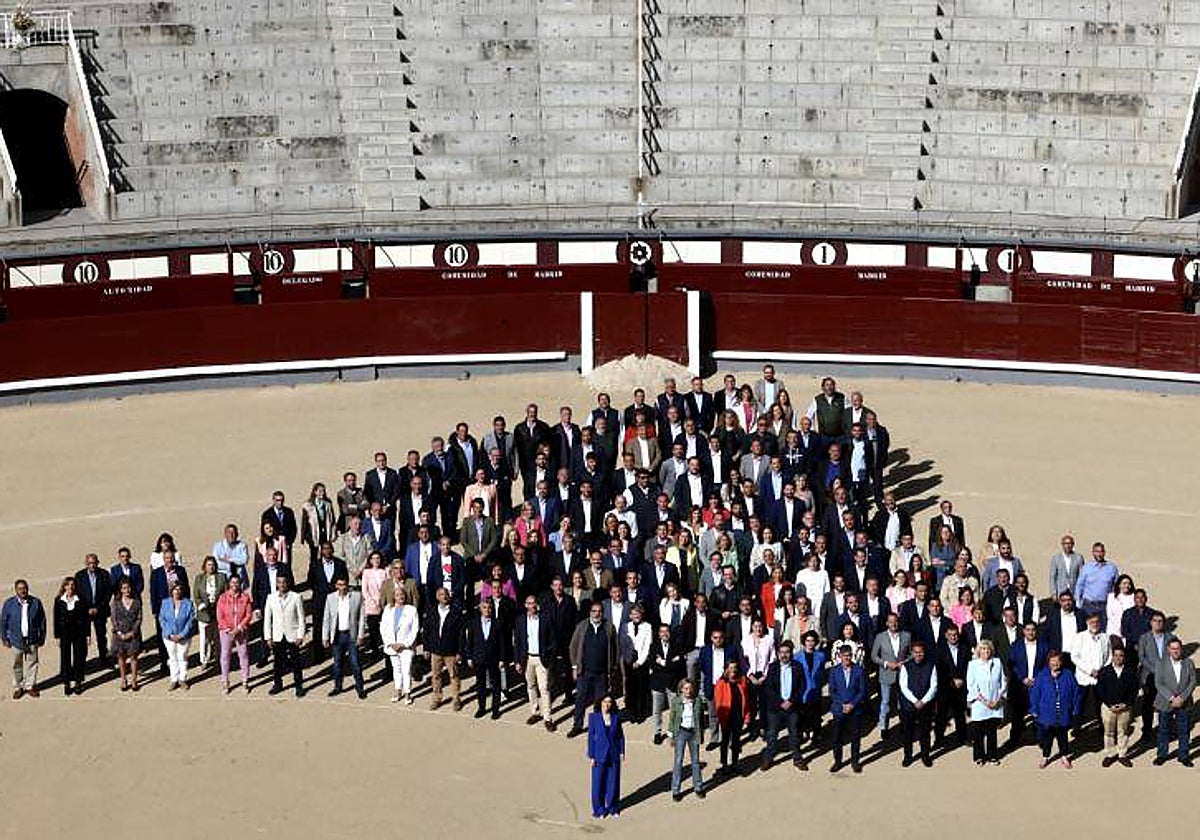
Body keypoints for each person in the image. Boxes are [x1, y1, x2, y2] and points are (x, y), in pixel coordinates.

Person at [569, 602, 620, 737]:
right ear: (590, 612)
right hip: (584, 671)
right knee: (580, 699)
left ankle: (599, 728)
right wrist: (574, 666)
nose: (596, 614)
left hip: (602, 673)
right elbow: (573, 646)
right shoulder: (582, 626)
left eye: (599, 611)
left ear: (602, 613)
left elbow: (615, 648)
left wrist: (613, 667)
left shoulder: (609, 627)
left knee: (600, 702)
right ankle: (577, 725)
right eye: (594, 611)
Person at [761, 639, 808, 771]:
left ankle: (797, 759)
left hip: (792, 707)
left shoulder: (797, 666)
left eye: (787, 652)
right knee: (772, 735)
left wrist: (791, 701)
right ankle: (768, 759)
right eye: (781, 652)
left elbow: (802, 686)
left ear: (791, 653)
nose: (784, 655)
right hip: (775, 709)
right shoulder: (773, 667)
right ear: (777, 653)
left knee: (794, 734)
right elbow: (768, 688)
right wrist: (781, 702)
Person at [1030, 651, 1081, 768]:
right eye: (1052, 661)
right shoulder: (1042, 675)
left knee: (1063, 738)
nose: (1055, 663)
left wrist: (1076, 709)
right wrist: (1034, 709)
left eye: (1057, 661)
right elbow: (1035, 694)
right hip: (1046, 715)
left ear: (1061, 662)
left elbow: (1076, 693)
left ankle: (1064, 756)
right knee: (1047, 739)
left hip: (1063, 714)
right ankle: (1045, 757)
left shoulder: (1068, 674)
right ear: (1048, 662)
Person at [514, 593, 556, 729]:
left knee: (544, 688)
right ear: (525, 605)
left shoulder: (545, 619)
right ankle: (535, 712)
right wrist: (518, 661)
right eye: (529, 603)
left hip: (541, 658)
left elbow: (553, 641)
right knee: (531, 686)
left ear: (537, 605)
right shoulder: (520, 620)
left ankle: (547, 717)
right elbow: (518, 642)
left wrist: (549, 656)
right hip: (527, 658)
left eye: (533, 603)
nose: (531, 606)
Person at [1153, 638, 1196, 767]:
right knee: (1163, 730)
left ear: (1181, 649)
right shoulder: (1161, 663)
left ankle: (1183, 756)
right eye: (1173, 648)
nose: (1176, 651)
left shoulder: (1189, 663)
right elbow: (1158, 683)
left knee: (1184, 730)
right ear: (1168, 650)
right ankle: (1162, 755)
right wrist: (1172, 698)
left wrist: (1182, 698)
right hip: (1165, 701)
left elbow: (1192, 681)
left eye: (1177, 648)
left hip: (1184, 702)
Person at [322, 576, 367, 699]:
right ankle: (338, 686)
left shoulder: (357, 596)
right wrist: (325, 636)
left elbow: (362, 617)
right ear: (336, 586)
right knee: (337, 663)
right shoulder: (330, 598)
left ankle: (360, 687)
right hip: (337, 635)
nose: (342, 587)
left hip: (351, 634)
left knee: (355, 663)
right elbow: (327, 618)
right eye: (340, 585)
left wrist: (361, 635)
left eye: (344, 585)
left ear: (348, 585)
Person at [263, 574, 306, 697]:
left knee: (296, 662)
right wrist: (268, 637)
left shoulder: (296, 597)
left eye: (284, 582)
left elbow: (301, 618)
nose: (282, 585)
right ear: (276, 584)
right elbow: (267, 619)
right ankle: (278, 684)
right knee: (277, 662)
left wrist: (300, 635)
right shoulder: (270, 598)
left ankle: (299, 686)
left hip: (292, 635)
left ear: (288, 583)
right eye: (279, 582)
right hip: (277, 635)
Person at [467, 597, 509, 719]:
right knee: (480, 685)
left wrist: (502, 659)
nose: (487, 610)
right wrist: (469, 656)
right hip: (479, 658)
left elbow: (502, 644)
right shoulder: (474, 623)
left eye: (489, 607)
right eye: (484, 607)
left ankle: (495, 709)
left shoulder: (498, 623)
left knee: (496, 685)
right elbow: (470, 641)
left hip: (493, 659)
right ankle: (481, 708)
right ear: (480, 609)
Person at [1097, 645, 1138, 767]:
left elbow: (1134, 690)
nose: (1118, 658)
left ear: (1124, 657)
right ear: (1112, 657)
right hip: (1108, 708)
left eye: (1121, 655)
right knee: (1108, 732)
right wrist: (1110, 704)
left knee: (1123, 731)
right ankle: (1109, 754)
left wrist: (1125, 704)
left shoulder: (1130, 671)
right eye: (1116, 655)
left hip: (1125, 708)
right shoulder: (1104, 671)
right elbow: (1100, 690)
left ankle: (1122, 755)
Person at [966, 638, 1006, 765]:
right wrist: (984, 701)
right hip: (980, 704)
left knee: (992, 732)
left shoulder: (997, 662)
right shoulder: (973, 665)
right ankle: (979, 756)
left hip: (995, 703)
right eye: (983, 649)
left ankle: (992, 755)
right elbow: (971, 686)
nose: (986, 651)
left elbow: (1003, 682)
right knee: (978, 733)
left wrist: (998, 699)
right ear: (979, 651)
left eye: (988, 649)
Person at [1136, 611, 1174, 744]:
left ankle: (1165, 732)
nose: (1158, 623)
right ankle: (1146, 732)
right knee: (1148, 705)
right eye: (1155, 621)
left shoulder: (1170, 637)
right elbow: (1142, 657)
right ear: (1151, 623)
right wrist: (1156, 670)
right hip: (1149, 676)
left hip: (1166, 678)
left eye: (1160, 621)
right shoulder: (1144, 638)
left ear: (1164, 623)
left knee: (1166, 705)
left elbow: (1174, 656)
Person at [899, 640, 938, 766]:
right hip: (909, 705)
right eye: (916, 652)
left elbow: (934, 686)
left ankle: (925, 756)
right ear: (912, 653)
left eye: (920, 652)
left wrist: (924, 701)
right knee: (907, 732)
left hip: (926, 705)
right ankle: (907, 756)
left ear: (924, 652)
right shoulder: (906, 666)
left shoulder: (931, 665)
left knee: (925, 732)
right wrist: (915, 701)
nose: (918, 655)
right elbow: (903, 686)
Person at [668, 678, 709, 801]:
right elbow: (672, 718)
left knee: (695, 762)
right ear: (681, 689)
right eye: (686, 688)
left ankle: (698, 787)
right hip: (681, 732)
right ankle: (676, 790)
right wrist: (671, 735)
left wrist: (701, 733)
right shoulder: (676, 701)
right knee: (678, 761)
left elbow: (702, 717)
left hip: (693, 732)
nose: (688, 691)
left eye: (690, 688)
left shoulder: (697, 701)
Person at [425, 587, 464, 711]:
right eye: (441, 595)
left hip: (451, 650)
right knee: (436, 676)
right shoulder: (432, 611)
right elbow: (426, 631)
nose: (444, 597)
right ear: (437, 597)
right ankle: (437, 698)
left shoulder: (456, 612)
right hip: (435, 650)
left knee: (454, 675)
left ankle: (456, 698)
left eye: (446, 594)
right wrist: (426, 647)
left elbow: (461, 634)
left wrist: (460, 651)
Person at [829, 644, 866, 772]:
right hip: (839, 710)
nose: (847, 658)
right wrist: (842, 705)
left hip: (854, 710)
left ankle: (855, 761)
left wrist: (852, 705)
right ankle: (837, 762)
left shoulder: (859, 670)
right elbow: (832, 691)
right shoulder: (834, 671)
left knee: (855, 738)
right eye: (845, 656)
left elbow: (862, 691)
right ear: (840, 656)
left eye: (849, 655)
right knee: (837, 738)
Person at [871, 612, 910, 735]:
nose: (894, 624)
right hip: (886, 673)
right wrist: (887, 663)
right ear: (887, 623)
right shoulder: (880, 637)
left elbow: (911, 654)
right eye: (891, 621)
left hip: (902, 673)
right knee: (885, 702)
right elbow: (874, 656)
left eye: (896, 621)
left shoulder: (906, 636)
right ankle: (883, 726)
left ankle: (904, 724)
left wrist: (903, 662)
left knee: (902, 701)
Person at [587, 694, 625, 818]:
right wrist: (591, 756)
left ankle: (613, 807)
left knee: (613, 782)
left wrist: (622, 751)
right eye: (605, 701)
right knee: (598, 783)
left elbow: (620, 736)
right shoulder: (593, 717)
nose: (607, 704)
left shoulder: (616, 717)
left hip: (613, 754)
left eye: (609, 702)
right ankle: (599, 809)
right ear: (600, 703)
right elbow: (591, 738)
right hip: (599, 754)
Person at [74, 553, 113, 672]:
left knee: (101, 635)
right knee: (84, 637)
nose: (92, 566)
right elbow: (77, 594)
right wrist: (87, 608)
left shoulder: (104, 574)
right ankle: (83, 661)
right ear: (86, 564)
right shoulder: (79, 576)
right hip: (84, 612)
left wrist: (98, 608)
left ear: (98, 563)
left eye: (94, 563)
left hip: (100, 611)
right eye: (90, 563)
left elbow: (108, 593)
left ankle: (104, 658)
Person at [380, 587, 419, 703]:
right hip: (392, 646)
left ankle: (408, 693)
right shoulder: (388, 609)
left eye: (402, 594)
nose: (400, 597)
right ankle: (398, 691)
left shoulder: (412, 610)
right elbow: (383, 627)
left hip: (406, 647)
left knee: (406, 671)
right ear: (393, 597)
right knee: (396, 670)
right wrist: (389, 643)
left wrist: (404, 644)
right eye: (397, 595)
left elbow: (415, 629)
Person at [216, 575, 253, 694]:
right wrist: (228, 629)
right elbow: (219, 615)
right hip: (226, 631)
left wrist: (239, 628)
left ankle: (245, 680)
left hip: (241, 631)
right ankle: (225, 682)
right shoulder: (223, 597)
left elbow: (248, 615)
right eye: (232, 582)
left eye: (237, 582)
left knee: (243, 654)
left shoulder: (245, 597)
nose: (234, 585)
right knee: (225, 655)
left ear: (240, 584)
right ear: (229, 583)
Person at [53, 577, 89, 695]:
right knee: (65, 658)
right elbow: (56, 619)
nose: (70, 587)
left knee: (79, 657)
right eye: (68, 585)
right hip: (64, 633)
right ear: (64, 587)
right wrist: (57, 636)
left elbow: (86, 618)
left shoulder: (81, 599)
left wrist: (88, 634)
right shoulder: (59, 600)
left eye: (72, 585)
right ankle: (66, 682)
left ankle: (78, 682)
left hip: (79, 632)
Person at [713, 660, 750, 774]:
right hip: (726, 717)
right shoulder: (721, 683)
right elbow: (718, 703)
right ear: (726, 669)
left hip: (738, 716)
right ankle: (724, 764)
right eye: (730, 667)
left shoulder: (742, 681)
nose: (733, 670)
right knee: (724, 741)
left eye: (735, 667)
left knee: (736, 742)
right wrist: (721, 718)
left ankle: (735, 763)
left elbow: (746, 700)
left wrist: (747, 717)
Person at [158, 583, 196, 691]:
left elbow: (190, 621)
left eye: (179, 589)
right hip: (169, 636)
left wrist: (181, 635)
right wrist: (170, 634)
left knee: (182, 657)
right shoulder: (165, 603)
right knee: (172, 657)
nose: (177, 592)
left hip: (184, 637)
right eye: (175, 589)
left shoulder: (188, 603)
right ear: (171, 591)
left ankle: (182, 679)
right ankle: (174, 679)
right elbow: (162, 619)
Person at [192, 556, 227, 671]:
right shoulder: (199, 578)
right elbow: (196, 595)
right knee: (204, 639)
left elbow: (225, 594)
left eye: (212, 565)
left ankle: (218, 659)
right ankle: (204, 660)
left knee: (217, 638)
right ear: (204, 566)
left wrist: (222, 608)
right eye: (208, 565)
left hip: (218, 612)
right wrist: (201, 605)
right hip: (204, 613)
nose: (211, 567)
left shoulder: (221, 577)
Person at [111, 578, 142, 692]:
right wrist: (120, 633)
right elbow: (113, 619)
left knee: (134, 658)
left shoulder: (136, 602)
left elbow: (139, 618)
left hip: (133, 634)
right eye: (124, 588)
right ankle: (123, 679)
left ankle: (134, 679)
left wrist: (132, 632)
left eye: (128, 587)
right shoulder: (116, 602)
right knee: (121, 658)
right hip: (119, 635)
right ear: (121, 590)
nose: (127, 590)